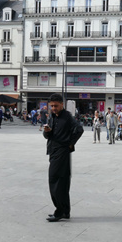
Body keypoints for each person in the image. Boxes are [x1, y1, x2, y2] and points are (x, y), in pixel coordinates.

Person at [43, 93, 83, 222]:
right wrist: (46, 132)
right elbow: (48, 136)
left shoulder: (67, 117)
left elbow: (79, 129)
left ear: (62, 104)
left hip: (62, 152)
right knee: (63, 181)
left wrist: (70, 144)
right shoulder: (52, 117)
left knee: (55, 181)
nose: (54, 108)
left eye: (56, 106)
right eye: (52, 106)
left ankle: (59, 211)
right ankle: (65, 211)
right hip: (53, 151)